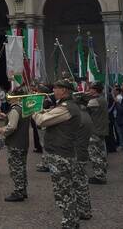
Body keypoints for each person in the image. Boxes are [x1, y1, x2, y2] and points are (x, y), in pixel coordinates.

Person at [33, 79, 81, 229]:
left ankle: (70, 222)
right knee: (63, 190)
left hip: (62, 154)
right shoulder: (64, 105)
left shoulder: (66, 107)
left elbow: (42, 121)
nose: (53, 90)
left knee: (65, 191)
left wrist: (33, 110)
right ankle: (71, 220)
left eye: (56, 88)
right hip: (61, 152)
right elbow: (50, 114)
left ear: (64, 90)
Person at [0, 89, 30, 202]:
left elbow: (12, 127)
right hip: (23, 142)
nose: (9, 98)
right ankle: (23, 189)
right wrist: (6, 117)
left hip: (15, 143)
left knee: (16, 168)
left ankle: (18, 191)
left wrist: (2, 129)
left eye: (12, 96)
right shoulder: (24, 108)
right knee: (22, 167)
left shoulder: (15, 110)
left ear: (18, 98)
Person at [73, 102, 93, 221]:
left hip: (77, 153)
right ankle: (85, 209)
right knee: (81, 182)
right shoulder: (85, 115)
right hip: (81, 151)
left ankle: (84, 210)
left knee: (79, 183)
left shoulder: (79, 118)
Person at [86, 83, 109, 184]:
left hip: (95, 131)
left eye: (91, 89)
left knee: (95, 154)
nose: (89, 90)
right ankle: (102, 174)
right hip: (101, 130)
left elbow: (82, 108)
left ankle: (99, 176)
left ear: (95, 90)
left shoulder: (95, 101)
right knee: (101, 153)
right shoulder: (102, 99)